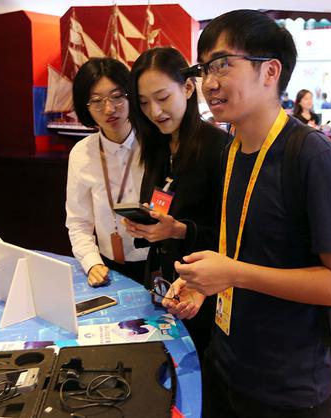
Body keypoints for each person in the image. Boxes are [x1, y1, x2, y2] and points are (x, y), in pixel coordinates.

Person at [163, 9, 331, 418]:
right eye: (204, 69)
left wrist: (233, 273)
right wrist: (207, 283)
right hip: (227, 365)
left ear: (270, 71)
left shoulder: (312, 156)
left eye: (223, 64)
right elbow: (249, 249)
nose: (209, 83)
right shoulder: (232, 148)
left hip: (289, 388)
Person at [124, 47, 229, 359]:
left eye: (162, 97)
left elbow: (233, 236)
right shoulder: (157, 145)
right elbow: (161, 207)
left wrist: (180, 230)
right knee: (161, 361)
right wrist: (147, 225)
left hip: (200, 290)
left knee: (194, 368)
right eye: (144, 103)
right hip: (159, 278)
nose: (155, 111)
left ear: (187, 87)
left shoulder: (218, 148)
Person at [65, 58, 148, 287]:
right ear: (86, 106)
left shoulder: (155, 145)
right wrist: (92, 262)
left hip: (159, 264)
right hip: (109, 268)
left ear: (130, 94)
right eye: (96, 101)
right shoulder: (82, 154)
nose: (109, 109)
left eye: (116, 96)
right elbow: (78, 221)